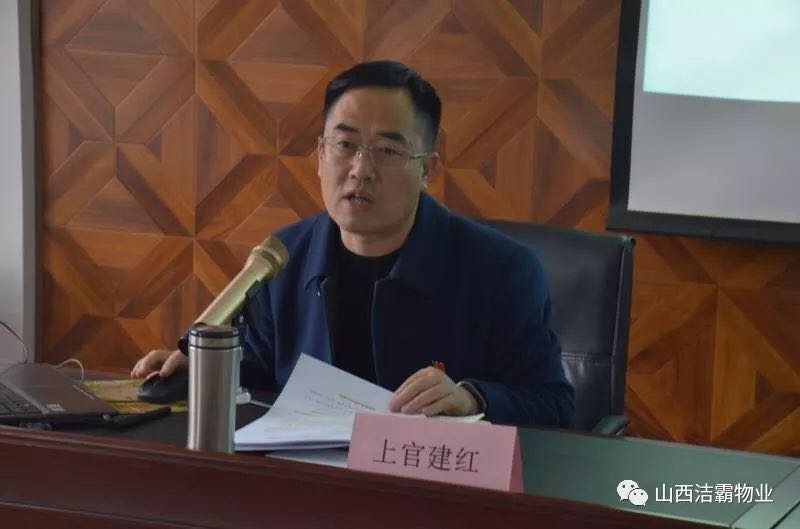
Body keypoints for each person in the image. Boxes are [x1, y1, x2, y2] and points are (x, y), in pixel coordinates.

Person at [132, 61, 574, 427]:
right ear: (320, 155)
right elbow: (262, 372)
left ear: (427, 169)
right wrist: (205, 369)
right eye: (345, 144)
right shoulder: (282, 258)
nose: (361, 169)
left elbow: (554, 406)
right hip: (313, 484)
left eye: (387, 150)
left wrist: (473, 398)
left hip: (433, 486)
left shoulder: (502, 270)